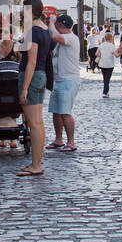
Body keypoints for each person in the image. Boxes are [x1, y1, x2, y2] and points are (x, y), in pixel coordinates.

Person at [17, 0, 51, 176]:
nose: (22, 12)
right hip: (39, 76)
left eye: (24, 9)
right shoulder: (43, 29)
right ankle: (36, 163)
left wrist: (24, 88)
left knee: (34, 122)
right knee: (37, 122)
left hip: (32, 76)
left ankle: (36, 165)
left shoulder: (34, 32)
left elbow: (31, 61)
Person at [47, 14, 81, 152]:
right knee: (56, 111)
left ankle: (71, 142)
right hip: (59, 79)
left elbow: (55, 36)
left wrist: (50, 22)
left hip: (68, 80)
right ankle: (58, 139)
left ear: (60, 25)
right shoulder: (63, 41)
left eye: (56, 26)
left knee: (65, 112)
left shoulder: (71, 38)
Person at [98, 29, 117, 95]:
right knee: (107, 79)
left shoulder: (101, 45)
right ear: (111, 38)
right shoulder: (112, 46)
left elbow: (96, 54)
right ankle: (105, 92)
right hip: (110, 64)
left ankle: (105, 91)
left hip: (102, 63)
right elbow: (116, 55)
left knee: (104, 77)